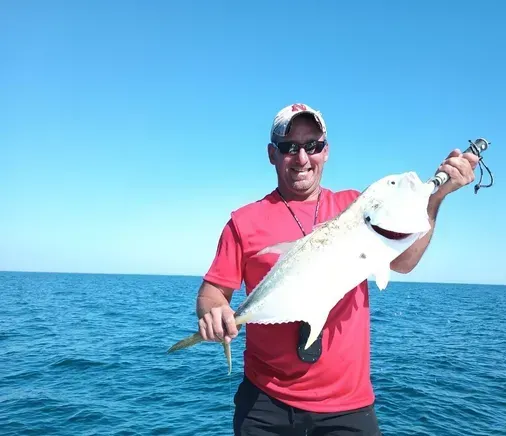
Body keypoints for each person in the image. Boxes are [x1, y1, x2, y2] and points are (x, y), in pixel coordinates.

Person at [195, 103, 479, 435]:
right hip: (264, 402)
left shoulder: (353, 207)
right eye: (289, 147)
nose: (302, 157)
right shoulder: (243, 222)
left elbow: (403, 261)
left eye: (312, 145)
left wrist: (437, 196)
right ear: (272, 154)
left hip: (348, 407)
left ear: (326, 151)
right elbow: (213, 292)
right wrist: (213, 312)